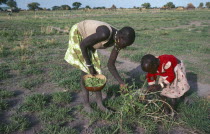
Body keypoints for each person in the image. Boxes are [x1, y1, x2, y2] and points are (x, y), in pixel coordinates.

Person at [64, 20, 135, 113]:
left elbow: (110, 65)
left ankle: (100, 104)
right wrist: (89, 65)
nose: (124, 47)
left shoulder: (118, 40)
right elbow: (83, 44)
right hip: (79, 33)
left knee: (96, 72)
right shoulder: (104, 33)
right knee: (86, 71)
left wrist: (121, 83)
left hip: (88, 42)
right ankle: (86, 105)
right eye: (125, 44)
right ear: (120, 38)